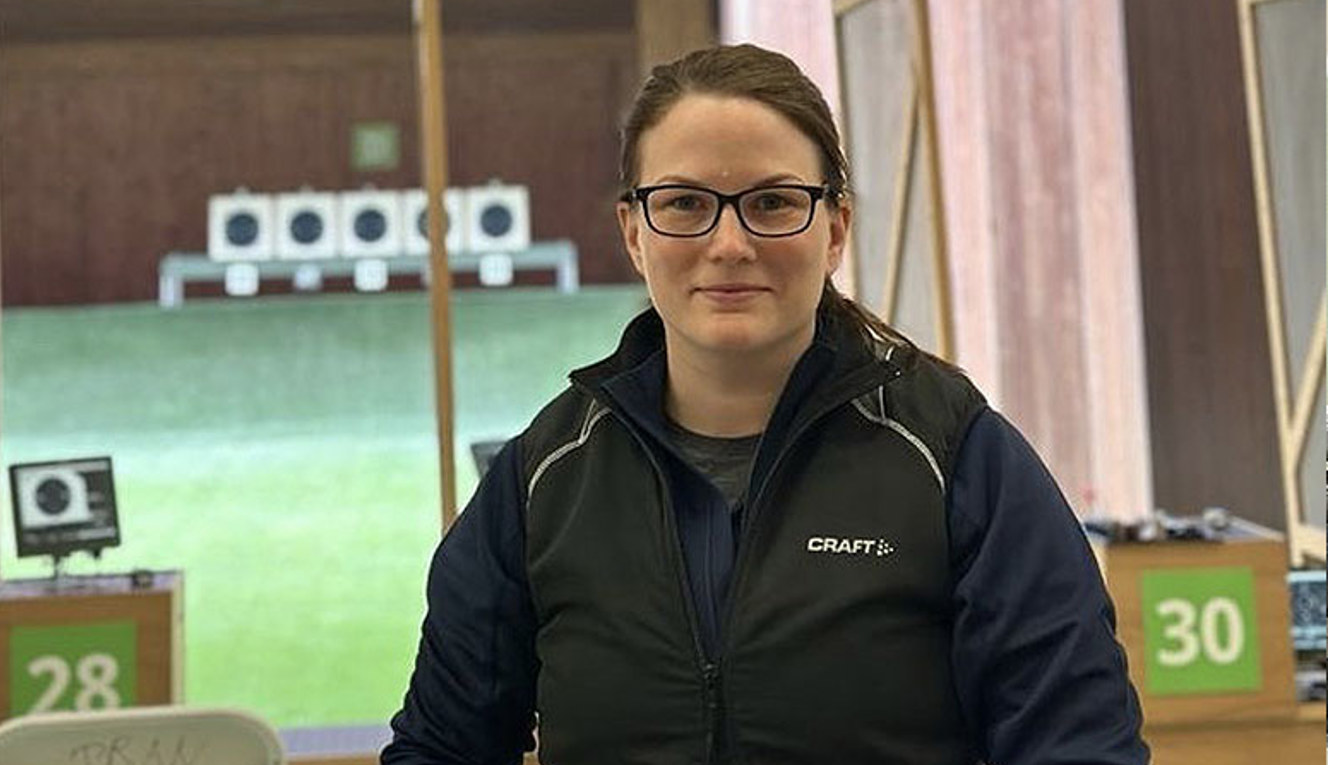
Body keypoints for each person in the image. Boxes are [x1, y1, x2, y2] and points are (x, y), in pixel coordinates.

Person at [382, 44, 1148, 765]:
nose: (729, 243)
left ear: (836, 228)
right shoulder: (543, 476)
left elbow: (1078, 746)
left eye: (774, 202)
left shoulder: (957, 457)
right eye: (684, 203)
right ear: (634, 232)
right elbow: (440, 747)